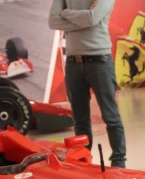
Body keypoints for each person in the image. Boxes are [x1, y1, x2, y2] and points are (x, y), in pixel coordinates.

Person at [49, 0, 127, 167]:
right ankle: (84, 159)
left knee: (110, 117)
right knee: (80, 119)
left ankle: (118, 162)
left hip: (99, 61)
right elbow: (53, 21)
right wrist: (84, 18)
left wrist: (66, 13)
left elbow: (92, 19)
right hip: (72, 63)